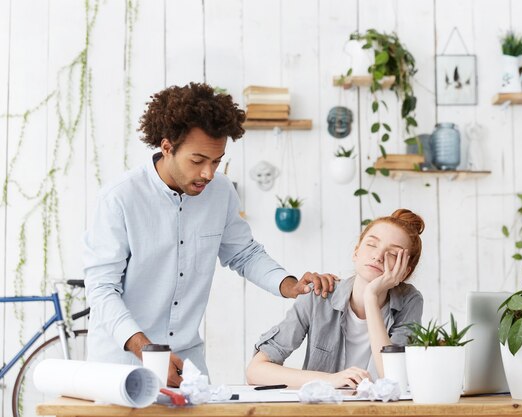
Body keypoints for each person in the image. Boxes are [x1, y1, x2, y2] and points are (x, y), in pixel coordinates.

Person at [83, 82, 336, 387]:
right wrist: (148, 352)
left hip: (187, 362)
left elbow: (244, 253)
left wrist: (290, 285)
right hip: (122, 362)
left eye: (216, 161)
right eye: (198, 160)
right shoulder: (119, 199)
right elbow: (101, 290)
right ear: (167, 147)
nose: (208, 173)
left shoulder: (221, 192)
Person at [246, 209, 424, 388]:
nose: (378, 256)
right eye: (371, 244)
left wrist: (371, 297)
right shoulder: (319, 295)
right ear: (356, 252)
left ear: (405, 272)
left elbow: (394, 380)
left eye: (393, 254)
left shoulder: (410, 301)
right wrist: (329, 380)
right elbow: (255, 371)